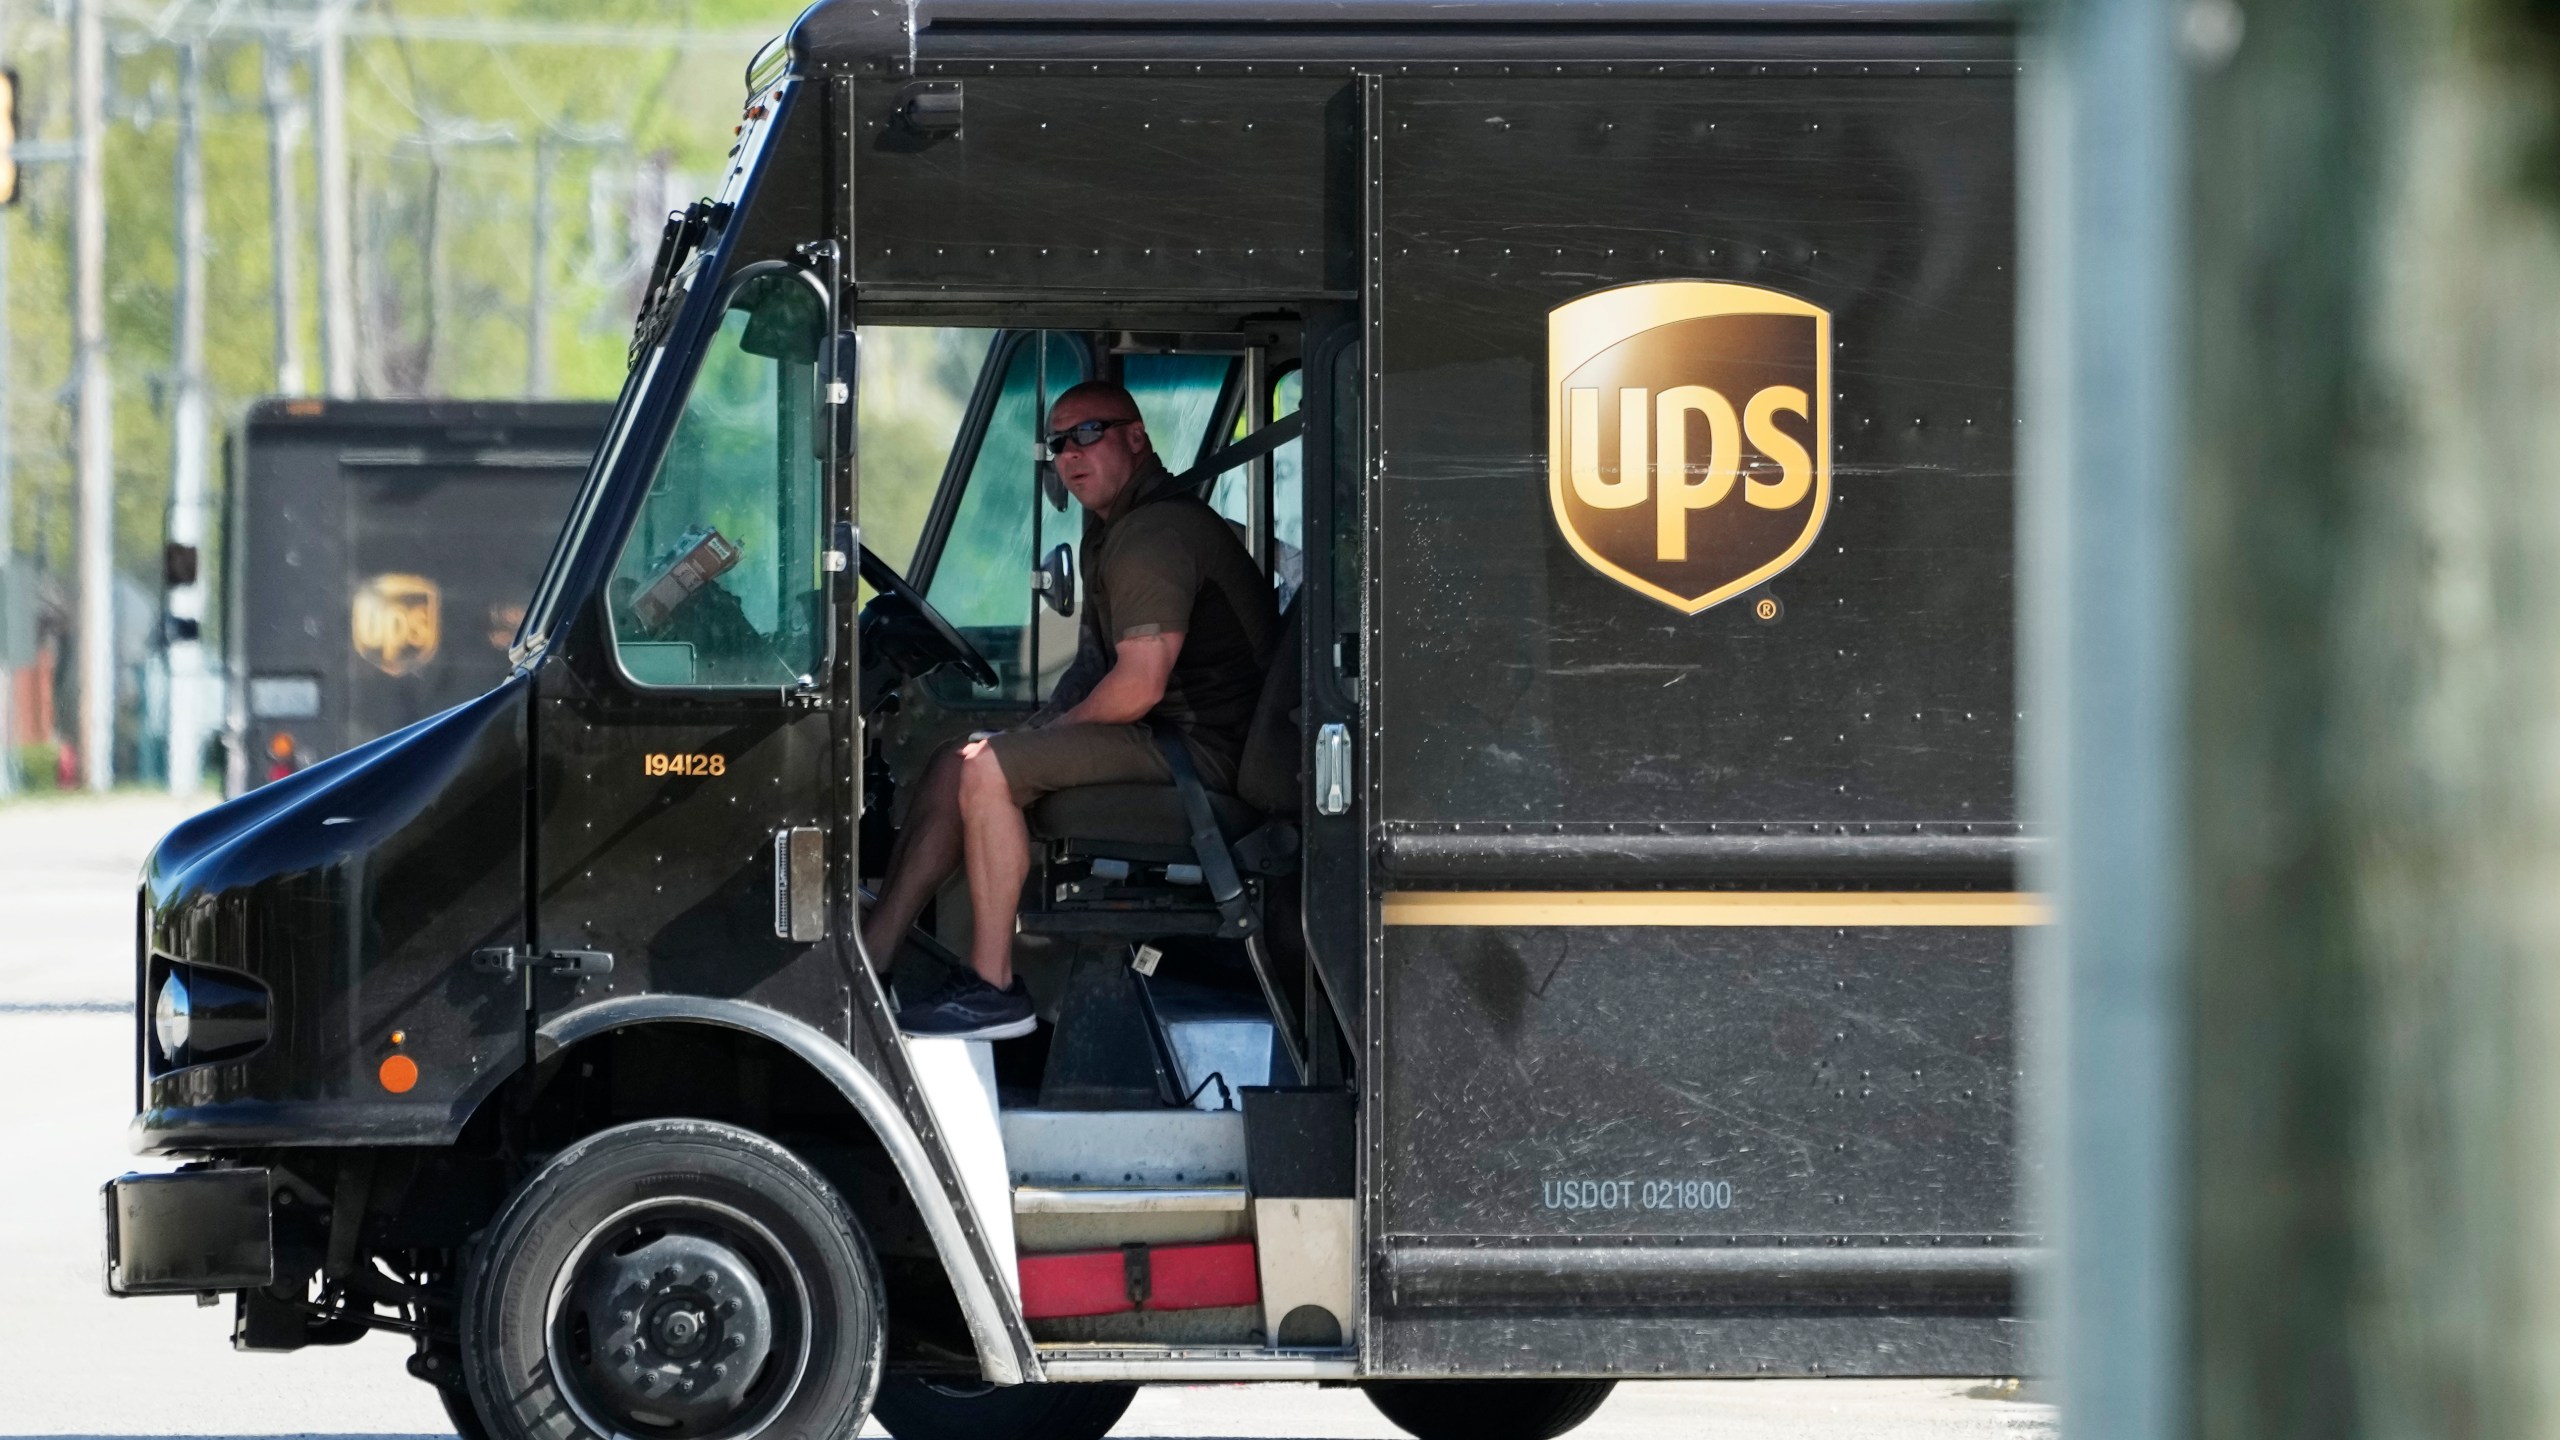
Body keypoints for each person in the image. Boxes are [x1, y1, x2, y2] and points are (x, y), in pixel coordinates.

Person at [864, 380, 1281, 1039]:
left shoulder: (1155, 535)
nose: (1070, 455)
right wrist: (1027, 734)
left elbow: (1139, 685)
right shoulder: (1114, 530)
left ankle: (992, 988)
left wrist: (1039, 741)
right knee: (957, 760)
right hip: (1167, 737)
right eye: (1058, 443)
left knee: (990, 771)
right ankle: (868, 966)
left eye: (1089, 433)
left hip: (1201, 754)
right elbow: (1095, 665)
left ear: (1137, 439)